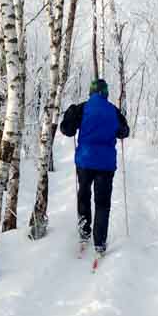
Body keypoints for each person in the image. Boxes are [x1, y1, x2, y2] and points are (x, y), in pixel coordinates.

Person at [59, 78, 130, 257]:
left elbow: (67, 130)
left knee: (84, 194)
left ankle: (84, 232)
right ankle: (100, 241)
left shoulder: (82, 108)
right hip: (106, 164)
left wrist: (70, 116)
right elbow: (124, 132)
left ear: (91, 92)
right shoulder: (113, 110)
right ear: (105, 93)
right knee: (102, 202)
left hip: (85, 161)